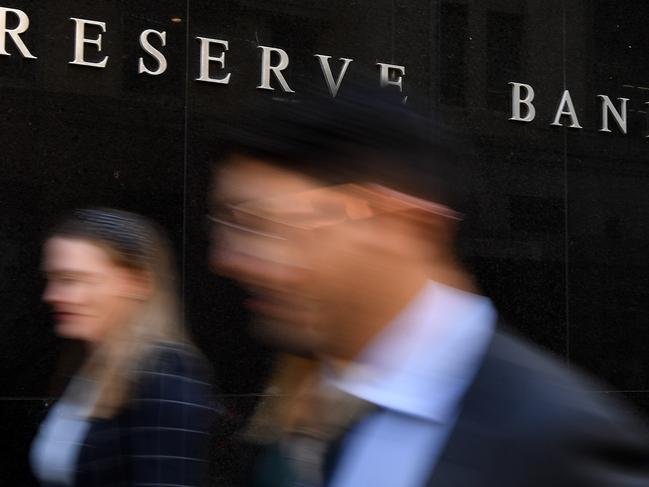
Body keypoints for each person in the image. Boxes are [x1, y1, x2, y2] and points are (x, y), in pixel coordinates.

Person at [208, 85, 649, 486]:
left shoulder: (559, 437)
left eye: (260, 223)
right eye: (227, 224)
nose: (231, 260)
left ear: (400, 222)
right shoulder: (317, 416)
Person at [30, 209, 218, 487]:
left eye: (72, 280)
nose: (52, 296)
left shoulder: (165, 375)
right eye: (52, 279)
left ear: (137, 282)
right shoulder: (87, 367)